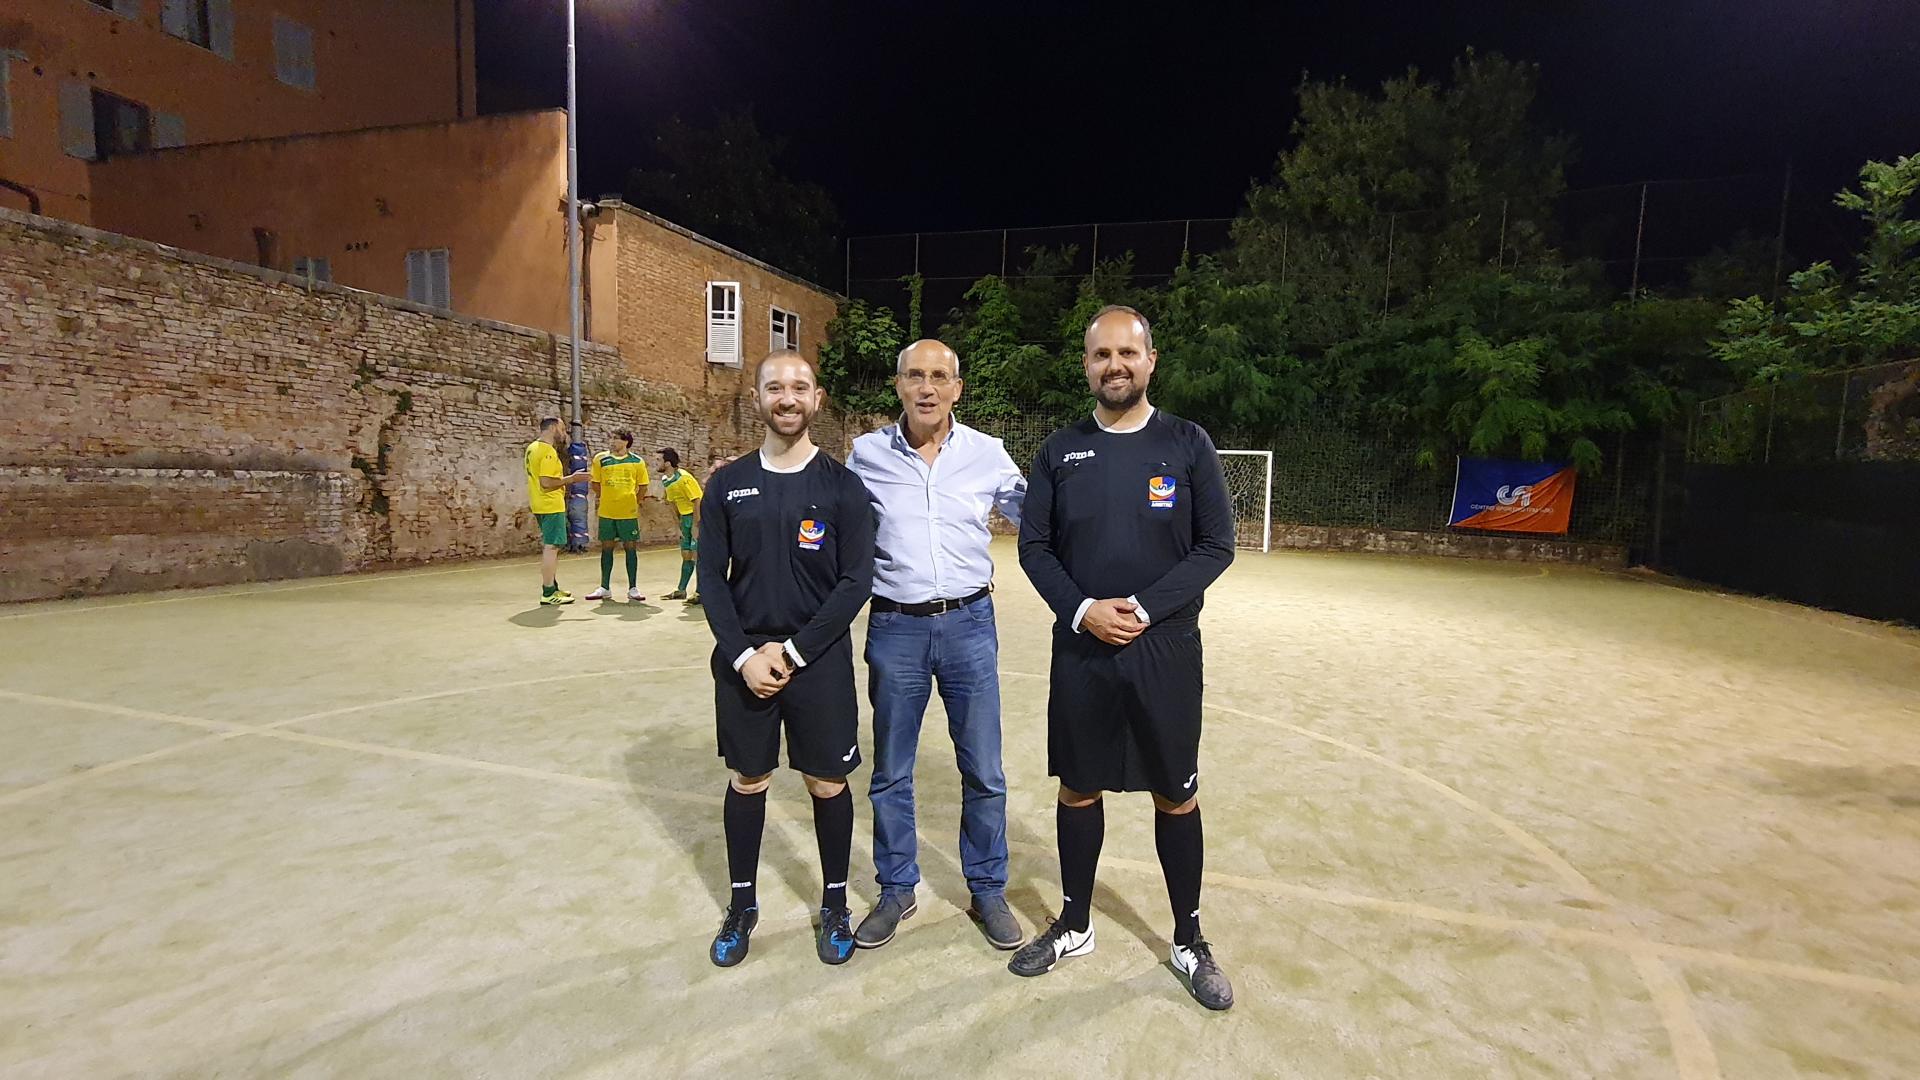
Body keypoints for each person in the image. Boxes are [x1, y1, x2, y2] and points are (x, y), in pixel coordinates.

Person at [1011, 305, 1238, 1010]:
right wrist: (1083, 609)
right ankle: (1075, 924)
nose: (1115, 365)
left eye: (1127, 353)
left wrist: (1143, 607)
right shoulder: (1060, 450)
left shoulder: (1188, 443)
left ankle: (1187, 940)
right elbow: (1034, 547)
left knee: (1177, 791)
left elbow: (1215, 546)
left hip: (1164, 648)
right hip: (1081, 648)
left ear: (1150, 360)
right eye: (1101, 354)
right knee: (1079, 786)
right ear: (1086, 365)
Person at [846, 339, 1026, 952]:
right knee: (891, 769)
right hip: (895, 627)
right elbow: (825, 515)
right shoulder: (865, 455)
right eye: (916, 376)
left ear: (958, 387)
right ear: (897, 385)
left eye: (940, 376)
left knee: (984, 767)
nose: (928, 387)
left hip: (971, 626)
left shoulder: (988, 454)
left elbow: (1042, 515)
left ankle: (987, 887)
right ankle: (897, 887)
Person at [700, 349, 876, 968]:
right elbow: (712, 580)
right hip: (745, 663)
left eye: (799, 387)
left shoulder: (843, 487)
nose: (787, 398)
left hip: (818, 660)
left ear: (817, 399)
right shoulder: (726, 484)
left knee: (827, 780)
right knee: (749, 779)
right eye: (775, 387)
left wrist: (797, 650)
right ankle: (743, 904)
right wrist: (745, 654)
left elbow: (855, 582)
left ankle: (833, 903)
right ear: (757, 399)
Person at [526, 416, 591, 605]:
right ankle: (548, 592)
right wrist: (572, 479)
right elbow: (546, 483)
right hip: (550, 504)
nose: (564, 433)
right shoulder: (547, 452)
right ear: (553, 428)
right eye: (562, 429)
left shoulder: (532, 448)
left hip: (539, 503)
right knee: (551, 547)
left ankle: (553, 587)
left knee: (551, 545)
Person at [585, 430, 649, 602]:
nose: (612, 442)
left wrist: (634, 501)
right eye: (611, 438)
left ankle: (633, 588)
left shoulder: (637, 461)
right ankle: (604, 587)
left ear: (626, 442)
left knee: (630, 548)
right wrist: (606, 497)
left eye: (616, 439)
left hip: (628, 513)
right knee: (606, 548)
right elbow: (595, 484)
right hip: (607, 512)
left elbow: (643, 486)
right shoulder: (601, 459)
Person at [657, 447, 704, 603]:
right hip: (684, 519)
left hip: (696, 517)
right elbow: (671, 503)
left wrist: (697, 525)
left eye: (658, 460)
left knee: (698, 555)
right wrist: (678, 526)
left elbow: (697, 500)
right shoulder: (666, 480)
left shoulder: (684, 478)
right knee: (686, 554)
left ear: (668, 463)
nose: (655, 463)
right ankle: (681, 590)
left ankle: (701, 592)